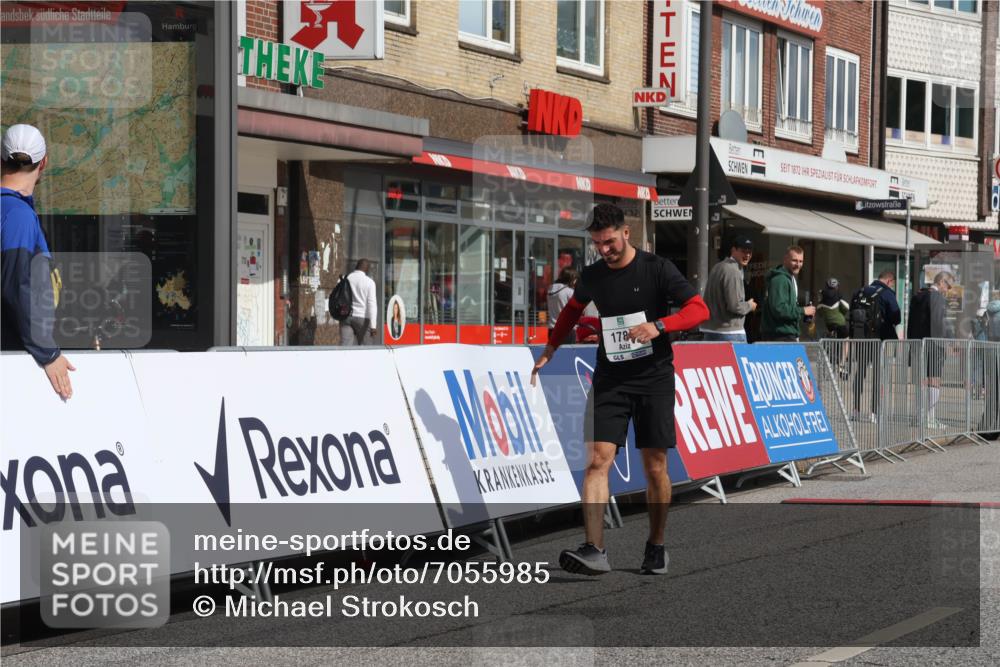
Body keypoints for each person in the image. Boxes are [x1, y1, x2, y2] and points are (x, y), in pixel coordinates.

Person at [530, 203, 709, 576]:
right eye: (597, 243)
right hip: (610, 377)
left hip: (654, 377)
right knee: (597, 460)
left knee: (655, 466)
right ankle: (595, 548)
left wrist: (659, 326)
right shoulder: (593, 275)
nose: (604, 249)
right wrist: (551, 348)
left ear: (626, 233)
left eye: (609, 241)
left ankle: (656, 544)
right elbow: (571, 312)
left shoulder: (657, 269)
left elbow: (698, 309)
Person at [1, 124, 74, 400]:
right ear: (44, 163)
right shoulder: (17, 216)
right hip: (14, 360)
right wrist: (48, 353)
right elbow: (15, 286)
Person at [849, 271, 901, 420]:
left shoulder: (860, 291)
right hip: (880, 340)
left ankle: (856, 410)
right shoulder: (886, 293)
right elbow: (896, 318)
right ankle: (874, 412)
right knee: (879, 375)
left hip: (861, 339)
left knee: (860, 372)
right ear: (890, 281)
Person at [908, 271, 953, 429]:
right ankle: (930, 417)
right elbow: (939, 322)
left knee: (922, 380)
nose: (948, 289)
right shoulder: (937, 297)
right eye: (948, 285)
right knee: (934, 380)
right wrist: (947, 342)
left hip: (918, 343)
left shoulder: (917, 296)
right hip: (934, 343)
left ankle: (919, 416)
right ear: (941, 282)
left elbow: (911, 321)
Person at [700, 235, 756, 343]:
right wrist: (750, 305)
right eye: (744, 251)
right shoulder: (733, 271)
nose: (747, 255)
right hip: (729, 333)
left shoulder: (718, 267)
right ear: (733, 250)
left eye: (750, 252)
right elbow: (735, 306)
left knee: (713, 361)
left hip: (710, 330)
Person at [761, 245, 815, 342]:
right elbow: (779, 309)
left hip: (785, 334)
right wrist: (803, 311)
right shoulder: (780, 279)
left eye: (801, 261)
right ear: (785, 259)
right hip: (780, 336)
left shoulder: (789, 278)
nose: (798, 264)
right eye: (794, 260)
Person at [340, 258, 377, 345]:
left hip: (346, 316)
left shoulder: (346, 278)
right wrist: (373, 326)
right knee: (366, 348)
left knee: (345, 346)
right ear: (366, 269)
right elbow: (372, 304)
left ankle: (344, 358)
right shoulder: (369, 282)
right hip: (362, 318)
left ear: (356, 266)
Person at [546, 267, 578, 346]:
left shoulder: (550, 290)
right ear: (571, 278)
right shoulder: (569, 292)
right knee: (568, 356)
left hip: (552, 330)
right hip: (566, 331)